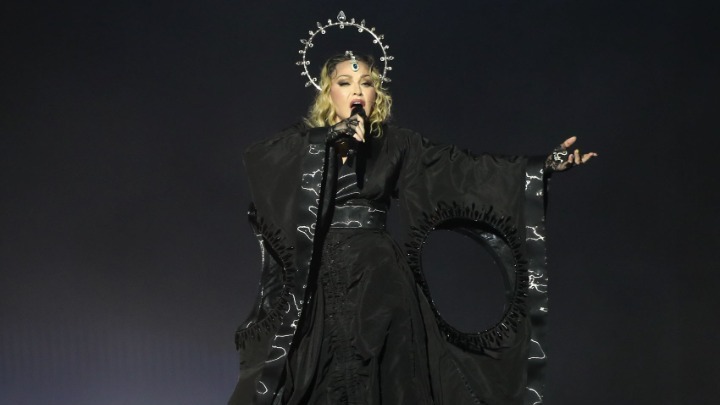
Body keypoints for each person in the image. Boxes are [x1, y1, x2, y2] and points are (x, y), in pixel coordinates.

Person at [228, 52, 596, 405]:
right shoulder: (304, 141)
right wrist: (329, 138)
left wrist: (542, 166)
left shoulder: (395, 144)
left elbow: (463, 170)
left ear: (376, 93)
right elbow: (259, 159)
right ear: (328, 91)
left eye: (366, 82)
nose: (357, 90)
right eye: (345, 82)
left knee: (391, 378)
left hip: (379, 280)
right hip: (317, 284)